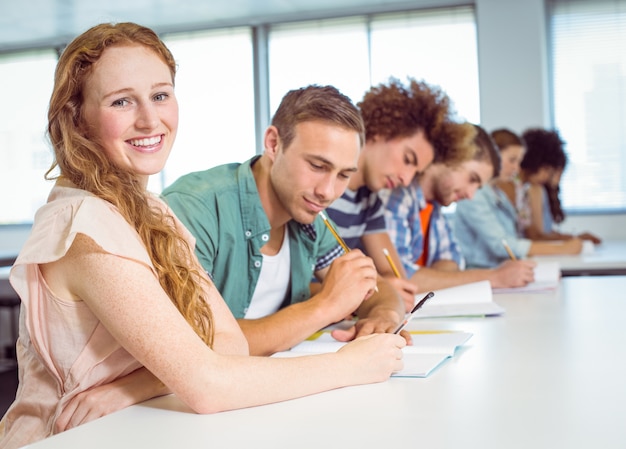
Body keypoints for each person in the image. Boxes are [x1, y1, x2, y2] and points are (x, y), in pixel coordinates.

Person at [0, 23, 405, 449]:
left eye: (160, 95)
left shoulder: (153, 211)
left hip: (132, 428)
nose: (150, 119)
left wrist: (151, 382)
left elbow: (226, 345)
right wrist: (348, 366)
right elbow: (208, 384)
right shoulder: (83, 224)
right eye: (122, 101)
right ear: (77, 118)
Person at [162, 84, 406, 357]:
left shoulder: (312, 218)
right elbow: (195, 341)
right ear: (273, 144)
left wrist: (383, 316)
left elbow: (373, 286)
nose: (327, 192)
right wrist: (324, 306)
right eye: (317, 166)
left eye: (343, 175)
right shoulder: (194, 207)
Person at [325, 77, 476, 305]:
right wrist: (379, 290)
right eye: (408, 159)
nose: (406, 180)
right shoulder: (321, 190)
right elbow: (299, 285)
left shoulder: (369, 201)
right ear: (381, 131)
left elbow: (396, 276)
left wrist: (385, 289)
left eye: (416, 172)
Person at [378, 125, 536, 309]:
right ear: (450, 158)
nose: (470, 195)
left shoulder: (435, 208)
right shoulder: (396, 197)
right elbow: (403, 277)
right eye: (472, 179)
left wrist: (431, 279)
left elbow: (453, 261)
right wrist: (495, 277)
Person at [453, 128, 583, 268]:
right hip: (480, 274)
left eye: (519, 161)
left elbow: (515, 239)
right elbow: (501, 244)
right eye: (512, 160)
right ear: (492, 154)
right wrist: (562, 249)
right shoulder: (474, 196)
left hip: (501, 271)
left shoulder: (498, 194)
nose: (516, 168)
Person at [519, 128, 601, 244]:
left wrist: (575, 238)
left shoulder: (535, 189)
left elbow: (545, 233)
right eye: (547, 169)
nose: (548, 176)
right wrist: (576, 239)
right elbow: (537, 236)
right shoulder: (533, 189)